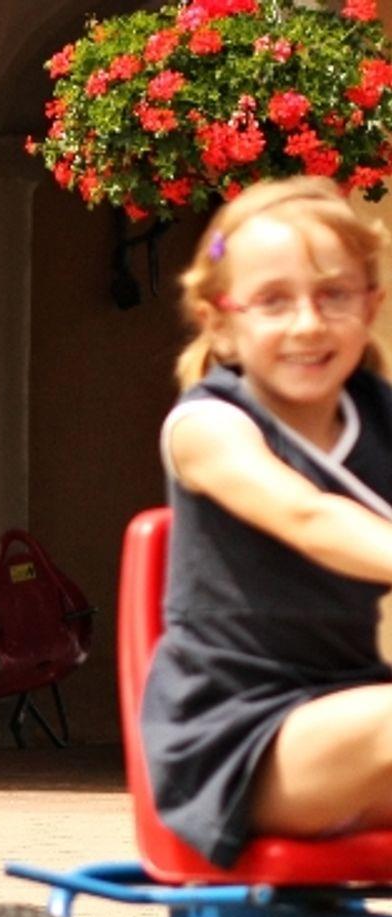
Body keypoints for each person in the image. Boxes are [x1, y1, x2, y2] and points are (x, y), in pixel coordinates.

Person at [146, 176, 392, 869]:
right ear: (221, 320)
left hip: (349, 707)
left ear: (371, 303)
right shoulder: (208, 425)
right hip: (238, 731)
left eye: (334, 295)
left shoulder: (378, 415)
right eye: (274, 301)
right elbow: (306, 516)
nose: (308, 324)